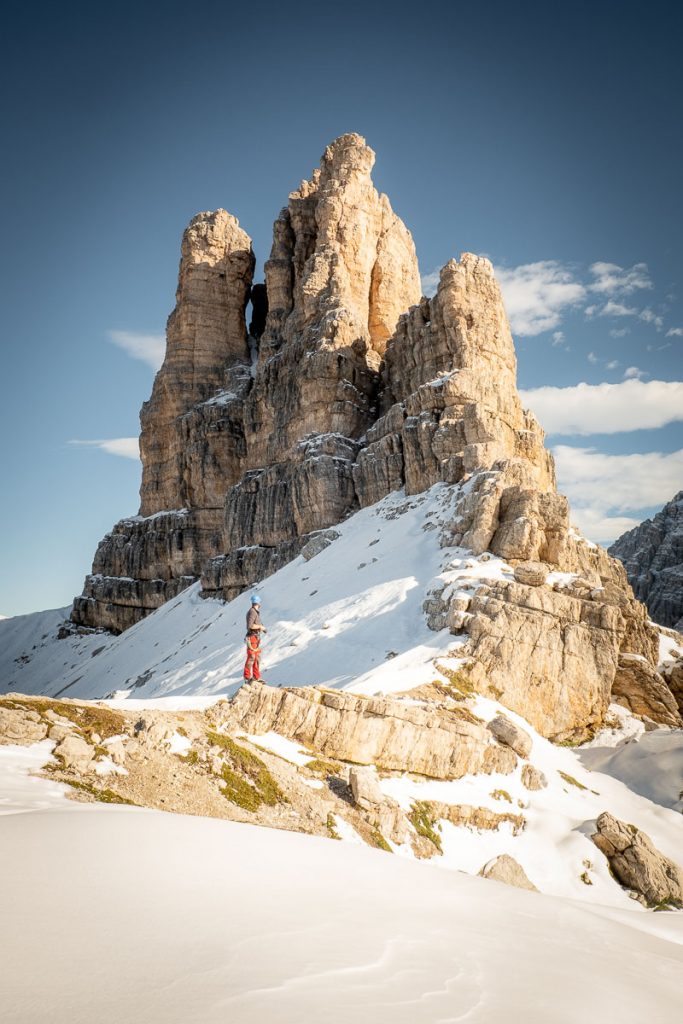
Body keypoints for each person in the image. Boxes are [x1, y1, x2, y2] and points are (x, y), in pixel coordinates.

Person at [243, 594, 267, 683]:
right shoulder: (252, 612)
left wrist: (262, 628)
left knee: (256, 658)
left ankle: (256, 677)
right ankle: (247, 677)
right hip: (252, 637)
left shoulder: (254, 612)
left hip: (255, 638)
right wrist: (261, 627)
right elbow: (250, 626)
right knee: (252, 657)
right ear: (259, 603)